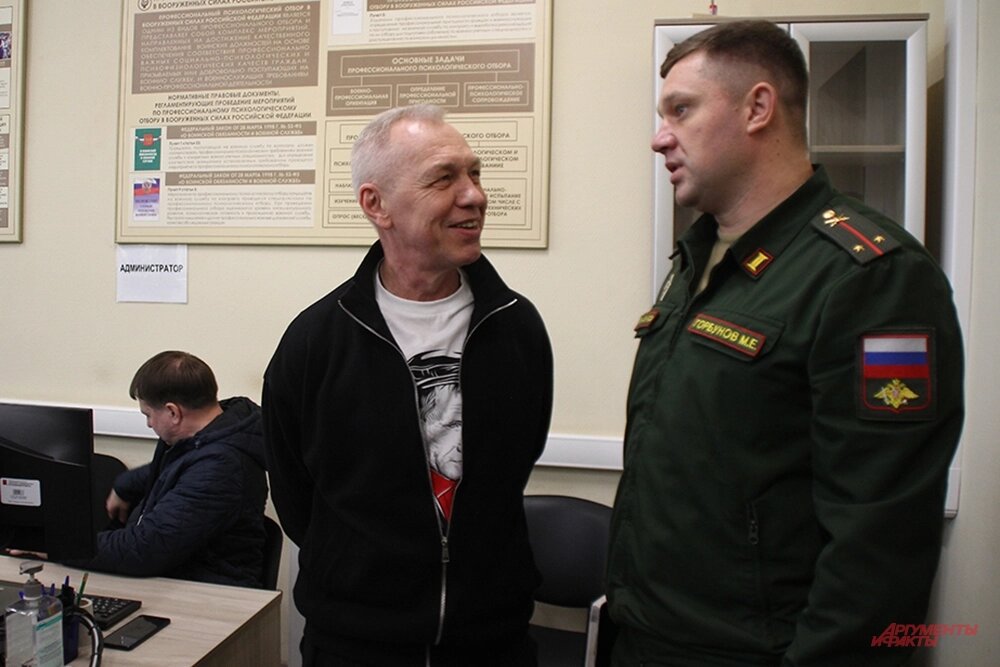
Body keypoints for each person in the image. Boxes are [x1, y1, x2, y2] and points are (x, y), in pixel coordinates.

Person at [606, 20, 964, 667]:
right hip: (647, 634)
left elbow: (880, 542)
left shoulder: (871, 276)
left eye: (681, 110)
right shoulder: (698, 259)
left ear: (758, 108)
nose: (659, 137)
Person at [263, 104, 553, 666]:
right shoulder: (316, 341)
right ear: (377, 205)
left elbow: (516, 461)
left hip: (490, 639)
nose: (474, 195)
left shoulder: (515, 327)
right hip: (352, 642)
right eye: (444, 178)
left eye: (475, 173)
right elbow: (296, 497)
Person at [68, 350, 269, 588]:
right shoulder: (212, 435)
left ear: (173, 412)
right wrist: (126, 484)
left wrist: (62, 546)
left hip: (207, 591)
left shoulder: (220, 467)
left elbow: (146, 549)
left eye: (148, 415)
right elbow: (177, 469)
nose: (149, 424)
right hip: (178, 579)